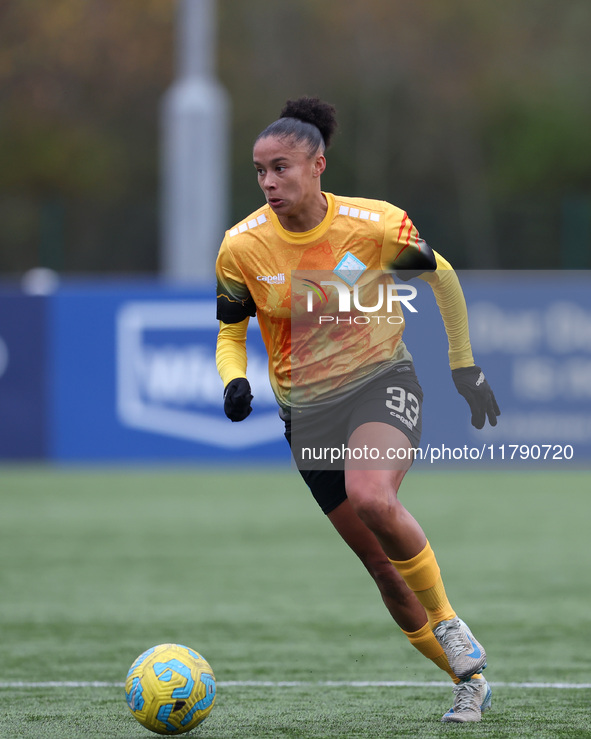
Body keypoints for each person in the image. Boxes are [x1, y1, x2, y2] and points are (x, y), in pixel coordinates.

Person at [215, 97, 500, 724]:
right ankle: (469, 679)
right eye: (259, 171)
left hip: (380, 381)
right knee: (383, 570)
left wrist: (462, 364)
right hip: (306, 415)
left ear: (318, 165)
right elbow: (231, 332)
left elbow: (442, 277)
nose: (268, 183)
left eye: (281, 168)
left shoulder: (372, 226)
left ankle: (451, 624)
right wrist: (234, 381)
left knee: (372, 496)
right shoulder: (242, 248)